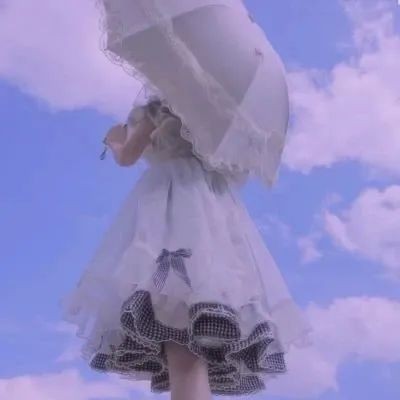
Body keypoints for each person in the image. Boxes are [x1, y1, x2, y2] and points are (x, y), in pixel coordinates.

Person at [62, 97, 309, 399]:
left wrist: (114, 139)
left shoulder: (163, 102)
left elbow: (127, 156)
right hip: (212, 209)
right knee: (190, 321)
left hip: (171, 201)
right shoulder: (221, 110)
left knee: (176, 318)